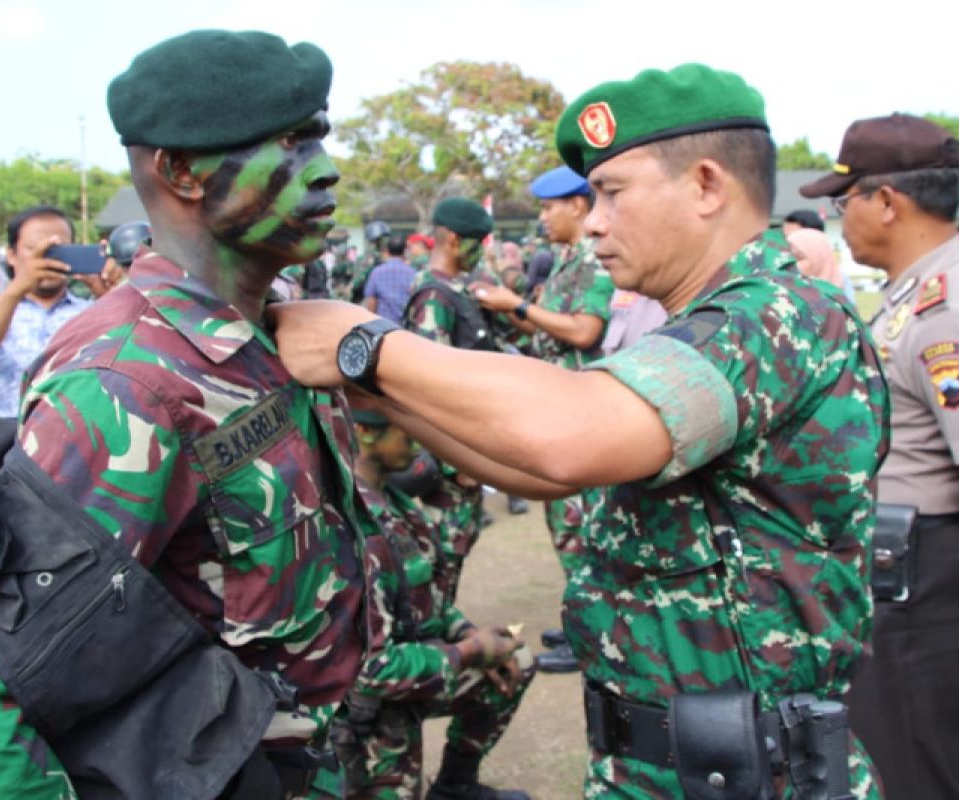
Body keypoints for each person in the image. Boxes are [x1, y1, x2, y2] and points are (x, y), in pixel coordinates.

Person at [271, 63, 888, 798]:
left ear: (705, 186)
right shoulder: (706, 321)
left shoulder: (778, 313)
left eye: (612, 192)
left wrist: (366, 344)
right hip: (673, 760)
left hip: (752, 771)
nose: (592, 220)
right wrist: (368, 380)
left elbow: (568, 434)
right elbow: (530, 470)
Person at [0, 29, 369, 798]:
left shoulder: (273, 335)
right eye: (288, 144)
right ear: (182, 171)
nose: (324, 169)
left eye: (319, 137)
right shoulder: (128, 379)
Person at [801, 113, 959, 800]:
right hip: (905, 562)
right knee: (892, 753)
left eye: (845, 203)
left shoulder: (947, 313)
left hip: (926, 569)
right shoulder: (916, 297)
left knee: (917, 767)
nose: (841, 220)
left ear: (887, 201)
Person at [334, 406, 534, 800]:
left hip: (416, 672)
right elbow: (370, 671)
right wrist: (468, 653)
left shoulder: (397, 504)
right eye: (406, 432)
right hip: (368, 711)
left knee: (515, 663)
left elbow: (430, 601)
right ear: (365, 432)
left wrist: (468, 634)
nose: (420, 444)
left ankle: (454, 787)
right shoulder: (350, 524)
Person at [473, 165, 615, 674]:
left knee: (581, 530)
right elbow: (544, 329)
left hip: (581, 415)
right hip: (558, 409)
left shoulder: (594, 263)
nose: (543, 217)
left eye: (550, 206)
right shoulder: (562, 263)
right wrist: (505, 308)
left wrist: (520, 307)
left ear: (578, 205)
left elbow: (582, 331)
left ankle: (591, 639)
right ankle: (582, 623)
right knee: (566, 526)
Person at [402, 197, 499, 606]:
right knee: (443, 554)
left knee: (459, 544)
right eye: (480, 242)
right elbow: (430, 387)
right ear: (456, 241)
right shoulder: (435, 296)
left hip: (470, 443)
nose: (485, 251)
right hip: (450, 460)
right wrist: (458, 461)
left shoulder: (460, 290)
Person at [0, 206, 93, 417]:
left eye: (59, 250)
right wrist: (17, 289)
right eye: (34, 249)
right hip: (6, 442)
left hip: (76, 440)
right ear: (11, 255)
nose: (47, 259)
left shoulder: (93, 312)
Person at [786, 227, 855, 302]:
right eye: (789, 258)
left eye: (798, 258)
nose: (791, 265)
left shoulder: (841, 281)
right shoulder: (782, 287)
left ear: (818, 257)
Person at [363, 234, 416, 322]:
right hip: (406, 328)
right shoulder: (413, 273)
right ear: (404, 252)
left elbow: (372, 301)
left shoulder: (377, 272)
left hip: (383, 326)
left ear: (387, 251)